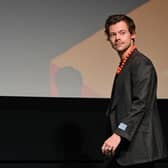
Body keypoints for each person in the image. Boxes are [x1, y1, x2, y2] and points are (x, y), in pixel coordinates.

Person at [101, 14, 167, 168]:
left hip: (139, 152)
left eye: (122, 32)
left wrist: (118, 134)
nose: (117, 38)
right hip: (126, 151)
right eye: (113, 34)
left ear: (133, 34)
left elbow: (140, 105)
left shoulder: (141, 64)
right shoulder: (127, 63)